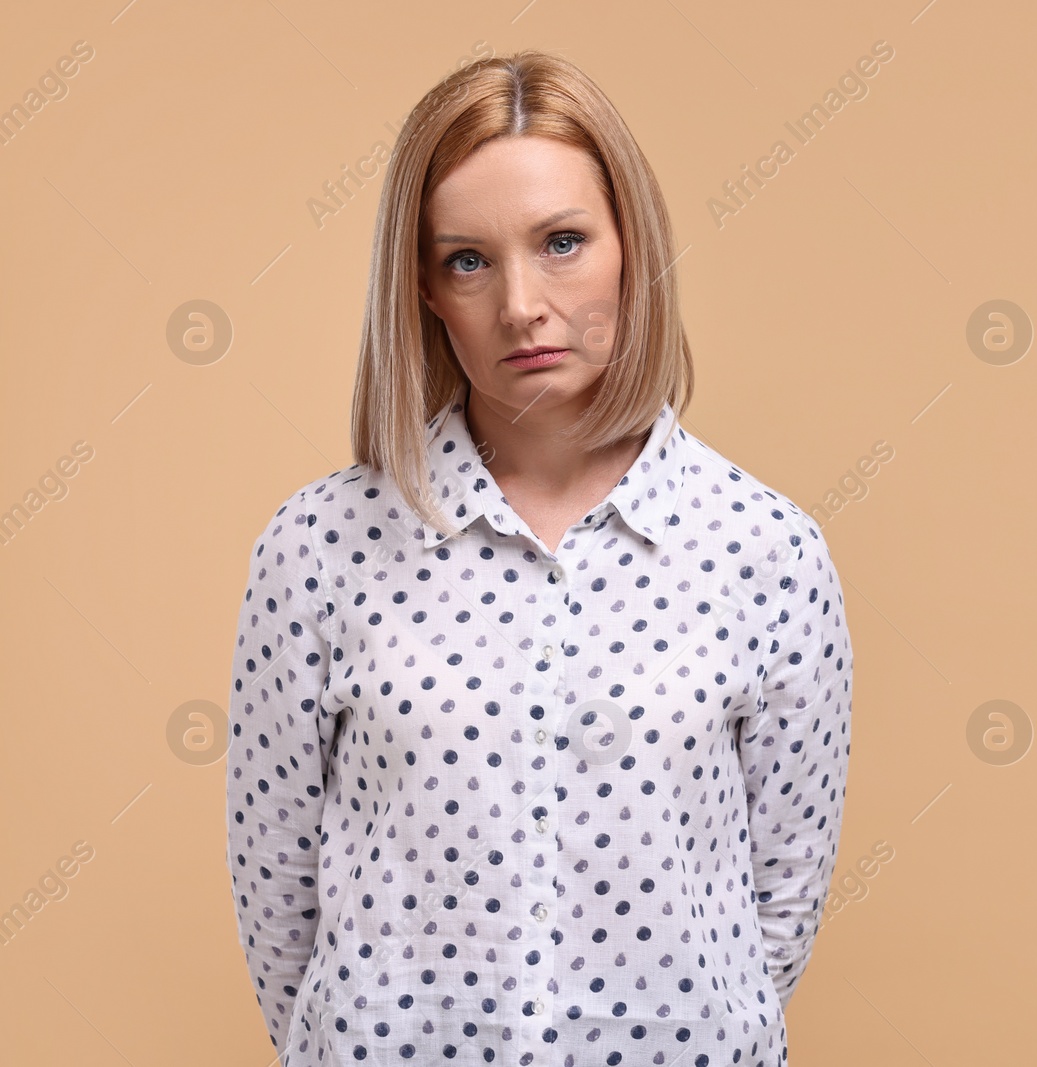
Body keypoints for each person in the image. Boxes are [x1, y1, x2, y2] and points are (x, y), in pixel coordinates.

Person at [224, 49, 852, 1067]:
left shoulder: (765, 551)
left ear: (629, 249)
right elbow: (279, 894)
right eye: (467, 259)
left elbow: (774, 905)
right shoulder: (318, 548)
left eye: (561, 241)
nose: (521, 303)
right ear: (422, 288)